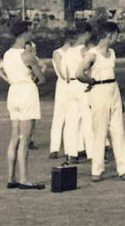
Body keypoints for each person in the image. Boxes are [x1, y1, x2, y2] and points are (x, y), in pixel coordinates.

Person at [75, 22, 125, 182]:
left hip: (113, 90)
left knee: (118, 130)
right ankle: (97, 170)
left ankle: (124, 169)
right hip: (99, 91)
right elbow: (79, 73)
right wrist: (91, 81)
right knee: (100, 130)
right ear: (109, 35)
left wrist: (119, 100)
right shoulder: (92, 54)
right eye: (115, 35)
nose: (116, 38)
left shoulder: (112, 53)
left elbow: (113, 76)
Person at [0, 21, 46, 189]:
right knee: (25, 138)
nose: (32, 34)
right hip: (26, 93)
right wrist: (36, 75)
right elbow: (42, 79)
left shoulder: (8, 54)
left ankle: (11, 177)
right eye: (30, 31)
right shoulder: (27, 55)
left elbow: (4, 70)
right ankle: (24, 178)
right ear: (23, 34)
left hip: (14, 92)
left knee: (15, 136)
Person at [63, 24, 95, 164]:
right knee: (88, 120)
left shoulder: (68, 51)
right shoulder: (85, 51)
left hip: (70, 85)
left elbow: (64, 71)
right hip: (82, 84)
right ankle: (92, 153)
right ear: (86, 34)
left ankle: (71, 152)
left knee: (72, 121)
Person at [49, 28, 77, 159]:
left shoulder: (75, 52)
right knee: (59, 115)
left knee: (72, 117)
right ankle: (54, 147)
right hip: (62, 84)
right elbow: (62, 71)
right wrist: (67, 77)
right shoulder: (58, 52)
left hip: (72, 84)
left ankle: (70, 148)